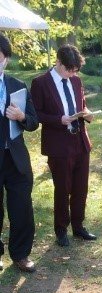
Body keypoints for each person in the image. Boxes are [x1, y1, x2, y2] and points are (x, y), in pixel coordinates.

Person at [31, 44, 96, 248]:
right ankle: (61, 230)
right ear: (58, 62)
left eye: (75, 70)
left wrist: (87, 113)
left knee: (81, 187)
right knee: (62, 188)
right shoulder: (40, 83)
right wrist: (59, 120)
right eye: (69, 69)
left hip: (80, 141)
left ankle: (78, 226)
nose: (72, 74)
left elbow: (81, 104)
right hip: (59, 145)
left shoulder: (76, 80)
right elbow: (36, 114)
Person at [0, 34, 39, 273]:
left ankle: (21, 254)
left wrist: (21, 117)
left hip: (16, 159)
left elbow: (34, 122)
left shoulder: (18, 86)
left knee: (21, 207)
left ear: (6, 59)